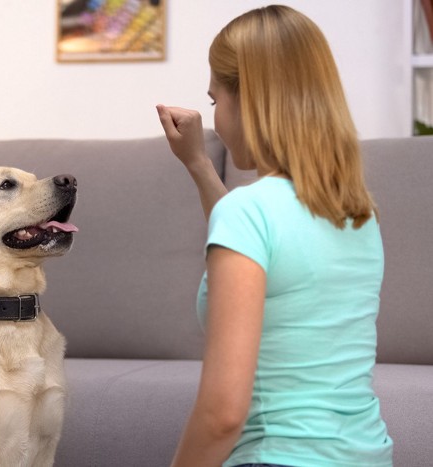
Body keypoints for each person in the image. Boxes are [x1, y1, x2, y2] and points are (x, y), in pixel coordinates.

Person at [156, 5, 393, 467]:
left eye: (214, 101)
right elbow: (261, 231)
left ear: (251, 99)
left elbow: (223, 415)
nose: (215, 120)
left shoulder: (249, 213)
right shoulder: (358, 214)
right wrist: (199, 164)